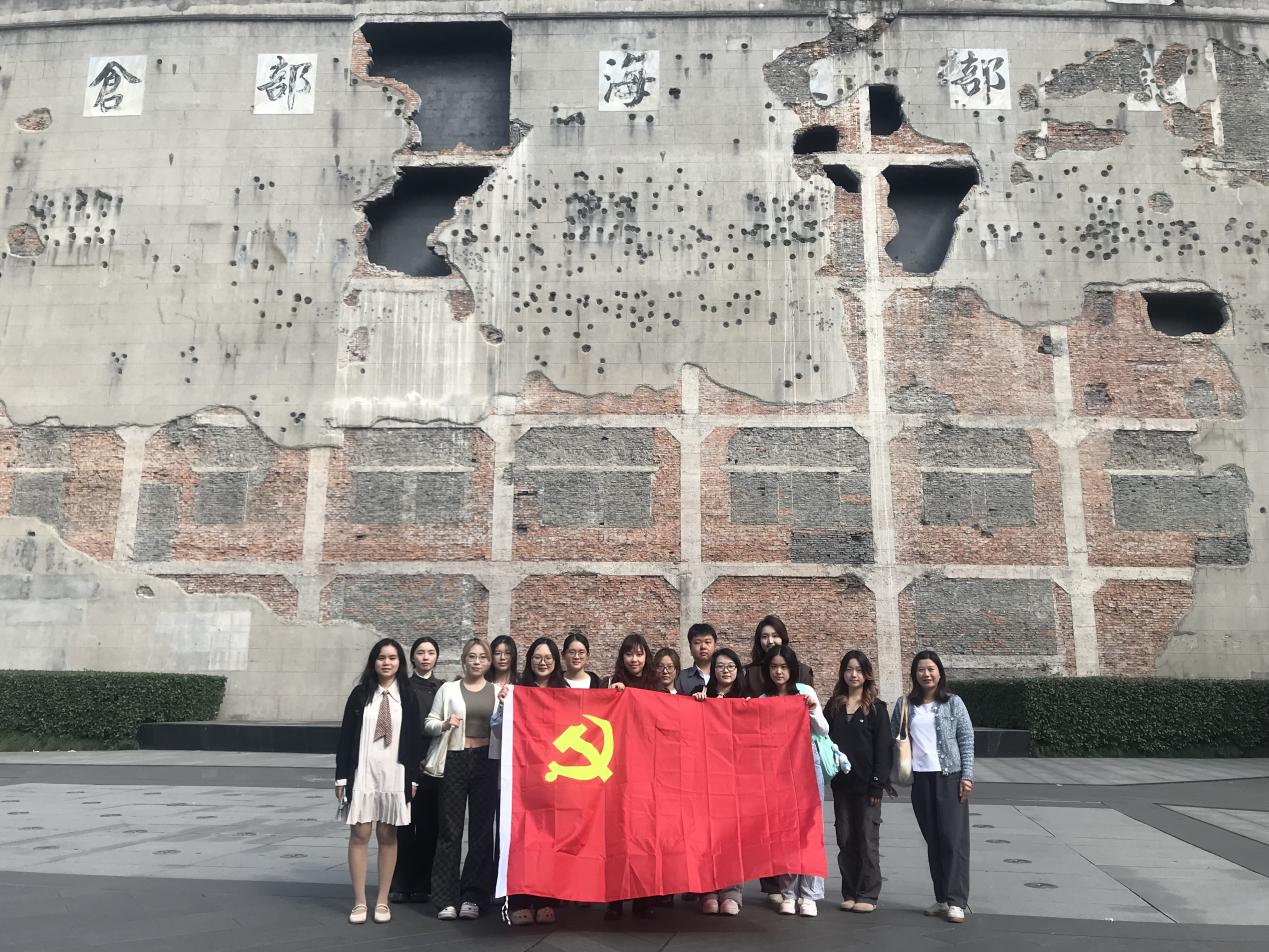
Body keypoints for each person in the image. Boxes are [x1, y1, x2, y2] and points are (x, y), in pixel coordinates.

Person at [335, 638, 420, 925]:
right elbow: (346, 737)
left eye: (392, 658)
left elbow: (414, 740)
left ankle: (382, 900)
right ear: (374, 661)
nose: (387, 662)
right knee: (360, 834)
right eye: (382, 657)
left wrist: (413, 779)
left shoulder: (407, 696)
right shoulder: (360, 694)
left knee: (388, 835)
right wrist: (341, 777)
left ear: (400, 662)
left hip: (394, 772)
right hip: (363, 772)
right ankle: (360, 901)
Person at [893, 649, 974, 924]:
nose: (926, 674)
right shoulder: (905, 705)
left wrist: (967, 776)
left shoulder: (953, 703)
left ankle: (957, 901)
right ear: (914, 674)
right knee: (934, 841)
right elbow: (894, 738)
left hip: (949, 777)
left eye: (931, 669)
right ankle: (942, 898)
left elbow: (966, 739)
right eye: (921, 670)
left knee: (953, 840)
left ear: (939, 672)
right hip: (920, 779)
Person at [426, 638, 499, 921]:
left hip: (487, 760)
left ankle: (473, 895)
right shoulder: (448, 689)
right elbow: (429, 722)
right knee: (450, 830)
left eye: (482, 657)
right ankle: (445, 897)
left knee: (482, 831)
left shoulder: (499, 691)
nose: (477, 661)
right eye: (472, 656)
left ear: (489, 662)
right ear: (464, 660)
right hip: (455, 758)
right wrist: (444, 724)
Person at [757, 644, 828, 917]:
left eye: (784, 667)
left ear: (792, 669)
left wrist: (812, 709)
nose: (779, 672)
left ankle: (809, 894)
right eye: (774, 667)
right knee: (784, 830)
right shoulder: (764, 699)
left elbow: (823, 729)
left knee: (810, 828)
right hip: (778, 771)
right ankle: (788, 891)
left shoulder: (805, 692)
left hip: (807, 764)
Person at [504, 637, 565, 925]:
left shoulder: (564, 693)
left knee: (551, 839)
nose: (543, 662)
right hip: (524, 774)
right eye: (537, 657)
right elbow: (499, 728)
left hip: (556, 775)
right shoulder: (517, 690)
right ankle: (519, 899)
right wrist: (504, 705)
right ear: (529, 661)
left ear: (555, 661)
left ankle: (546, 899)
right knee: (522, 837)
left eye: (548, 658)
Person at [827, 650, 891, 914]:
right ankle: (850, 891)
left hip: (867, 788)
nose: (853, 675)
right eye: (849, 669)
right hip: (842, 786)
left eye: (859, 670)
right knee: (845, 839)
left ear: (866, 674)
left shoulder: (876, 708)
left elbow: (884, 749)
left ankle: (867, 892)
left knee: (866, 838)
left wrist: (878, 783)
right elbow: (822, 739)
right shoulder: (834, 706)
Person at [690, 647, 749, 916]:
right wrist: (696, 702)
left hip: (735, 778)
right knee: (707, 836)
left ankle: (732, 891)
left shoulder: (746, 698)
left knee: (731, 836)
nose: (725, 671)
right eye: (720, 666)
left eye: (730, 666)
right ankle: (708, 890)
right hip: (706, 777)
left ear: (738, 670)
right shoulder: (702, 695)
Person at [604, 633, 658, 920]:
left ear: (646, 656)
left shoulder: (657, 687)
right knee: (617, 836)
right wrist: (612, 696)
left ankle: (643, 897)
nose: (634, 659)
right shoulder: (610, 684)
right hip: (618, 772)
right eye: (629, 654)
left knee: (645, 837)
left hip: (649, 772)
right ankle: (614, 899)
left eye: (639, 654)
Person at [390, 637, 442, 905]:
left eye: (430, 652)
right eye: (420, 652)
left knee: (429, 826)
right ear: (412, 657)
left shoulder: (443, 688)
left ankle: (424, 883)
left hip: (434, 763)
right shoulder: (402, 687)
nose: (425, 657)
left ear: (436, 657)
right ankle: (400, 882)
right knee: (403, 826)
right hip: (406, 762)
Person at [740, 615, 814, 696]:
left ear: (783, 638)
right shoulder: (750, 674)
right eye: (764, 637)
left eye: (775, 636)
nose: (770, 641)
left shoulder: (803, 672)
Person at [675, 623, 716, 696]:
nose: (703, 647)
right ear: (690, 648)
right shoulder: (681, 677)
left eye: (707, 642)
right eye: (697, 643)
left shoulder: (724, 674)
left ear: (715, 646)